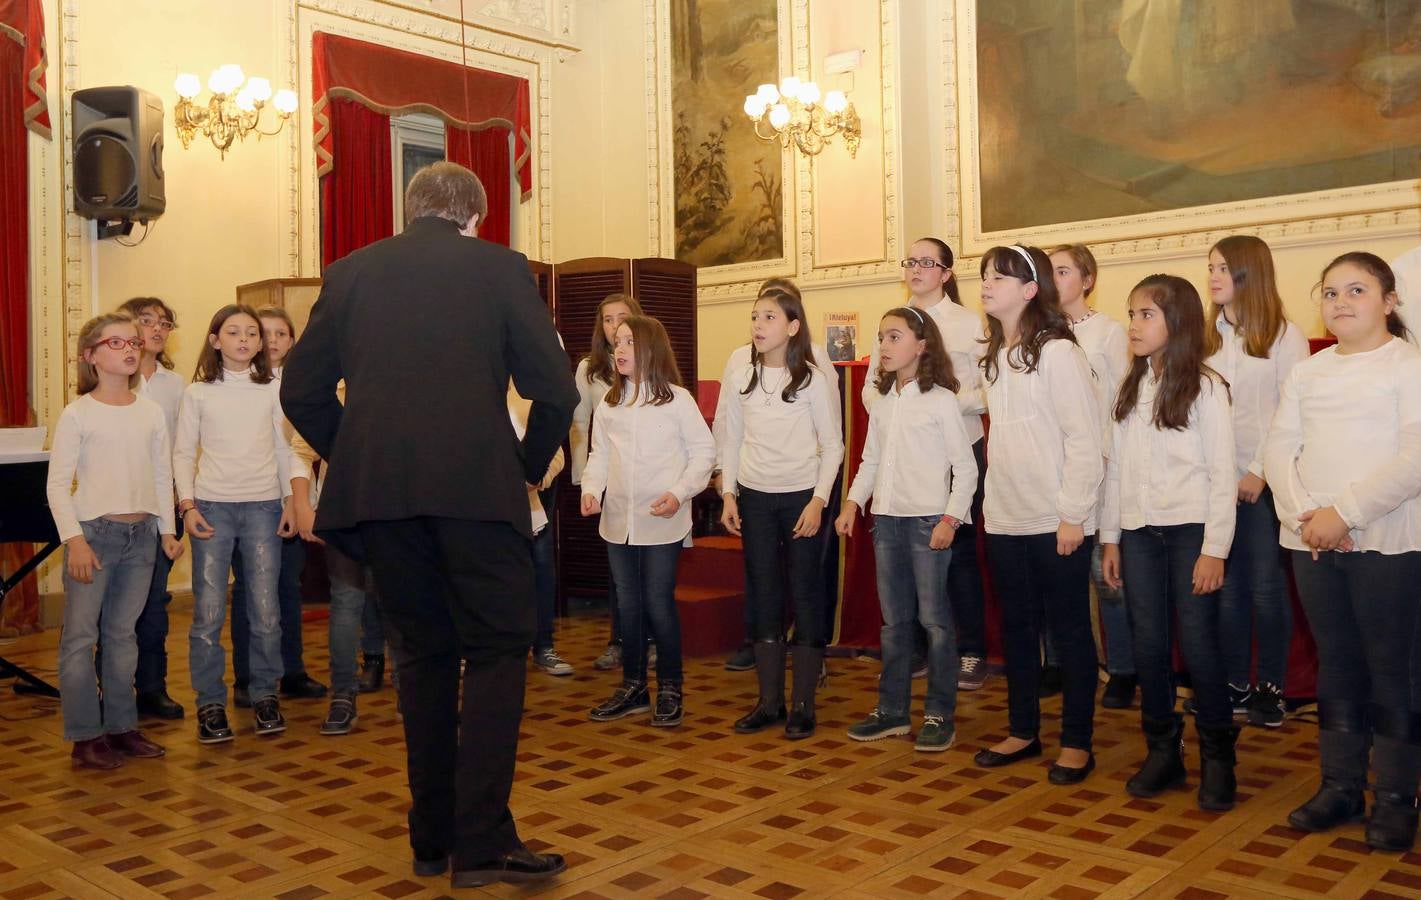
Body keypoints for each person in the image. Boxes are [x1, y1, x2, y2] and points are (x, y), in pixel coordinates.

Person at [280, 161, 576, 887]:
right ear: (474, 217)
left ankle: (429, 835)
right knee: (501, 653)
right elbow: (555, 389)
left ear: (411, 210)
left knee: (422, 657)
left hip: (383, 501)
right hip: (478, 493)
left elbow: (299, 388)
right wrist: (527, 468)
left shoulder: (348, 272)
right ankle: (478, 845)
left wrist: (358, 451)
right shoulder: (501, 269)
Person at [1265, 252, 1421, 853]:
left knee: (1393, 667)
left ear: (1388, 300)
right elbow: (1280, 448)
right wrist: (1309, 518)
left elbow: (1412, 459)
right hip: (1313, 540)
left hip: (1389, 539)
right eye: (1330, 292)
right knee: (1337, 661)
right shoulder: (1308, 371)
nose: (1341, 301)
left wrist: (1345, 514)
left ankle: (1396, 796)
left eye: (1357, 290)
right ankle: (1341, 786)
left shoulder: (1406, 367)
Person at [1100, 274, 1239, 810]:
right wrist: (1111, 537)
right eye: (1131, 314)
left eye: (1146, 315)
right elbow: (1117, 472)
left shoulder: (1206, 387)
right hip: (1138, 532)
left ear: (1176, 323)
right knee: (1148, 643)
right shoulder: (1129, 386)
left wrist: (1215, 549)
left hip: (1191, 534)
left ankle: (1219, 757)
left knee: (1199, 646)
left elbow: (1222, 475)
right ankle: (1163, 749)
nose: (1133, 325)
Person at [972, 244, 1103, 785]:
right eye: (983, 275)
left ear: (1030, 291)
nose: (986, 283)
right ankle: (1023, 730)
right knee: (1019, 630)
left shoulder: (1058, 353)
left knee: (1070, 631)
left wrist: (1073, 514)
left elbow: (1085, 438)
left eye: (1000, 277)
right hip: (1007, 517)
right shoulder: (995, 358)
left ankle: (1077, 742)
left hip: (1058, 520)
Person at [836, 308, 977, 751]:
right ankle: (893, 711)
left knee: (935, 622)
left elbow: (965, 468)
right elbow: (870, 461)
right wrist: (853, 503)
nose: (884, 346)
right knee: (894, 624)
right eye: (881, 338)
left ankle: (939, 714)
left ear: (922, 345)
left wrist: (950, 519)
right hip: (887, 523)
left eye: (894, 337)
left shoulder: (941, 401)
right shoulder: (883, 403)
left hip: (928, 524)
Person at [47, 313, 181, 768]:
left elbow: (162, 475)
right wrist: (76, 541)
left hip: (141, 536)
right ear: (91, 355)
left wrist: (166, 530)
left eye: (134, 342)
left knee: (124, 635)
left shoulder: (150, 412)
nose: (130, 349)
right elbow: (57, 485)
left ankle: (122, 727)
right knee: (81, 638)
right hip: (95, 536)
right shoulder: (77, 413)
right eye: (116, 342)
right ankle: (86, 735)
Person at [865, 239, 992, 693]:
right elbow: (871, 389)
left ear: (946, 273)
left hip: (958, 447)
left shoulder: (968, 322)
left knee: (954, 554)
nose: (916, 268)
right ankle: (913, 649)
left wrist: (939, 400)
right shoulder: (894, 323)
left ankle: (971, 650)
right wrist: (900, 403)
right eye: (910, 261)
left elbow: (986, 388)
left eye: (927, 262)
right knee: (903, 557)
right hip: (906, 452)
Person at [718, 288, 843, 739]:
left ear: (792, 327)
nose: (758, 325)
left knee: (806, 595)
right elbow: (729, 439)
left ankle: (804, 706)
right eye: (754, 316)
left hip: (801, 499)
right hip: (754, 498)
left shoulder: (811, 379)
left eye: (769, 317)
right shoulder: (739, 376)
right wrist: (729, 493)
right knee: (764, 594)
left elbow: (833, 446)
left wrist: (818, 500)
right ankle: (769, 702)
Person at [582, 315, 716, 727]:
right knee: (628, 604)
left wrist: (679, 493)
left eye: (629, 343)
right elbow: (599, 454)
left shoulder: (677, 399)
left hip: (663, 520)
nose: (619, 350)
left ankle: (671, 686)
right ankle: (634, 686)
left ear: (651, 350)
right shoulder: (609, 404)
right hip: (618, 521)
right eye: (617, 342)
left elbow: (703, 453)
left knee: (658, 603)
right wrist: (591, 488)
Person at [174, 304, 295, 743]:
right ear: (215, 340)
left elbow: (284, 451)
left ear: (261, 344)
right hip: (212, 507)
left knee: (265, 611)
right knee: (207, 612)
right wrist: (187, 506)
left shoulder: (272, 391)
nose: (243, 340)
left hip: (264, 506)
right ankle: (209, 702)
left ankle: (264, 695)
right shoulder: (198, 393)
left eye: (251, 333)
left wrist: (287, 501)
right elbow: (184, 453)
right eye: (233, 332)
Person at [1203, 236, 1309, 727]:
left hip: (1262, 483)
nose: (1214, 277)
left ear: (1250, 273)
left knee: (1266, 587)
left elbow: (1292, 413)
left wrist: (1259, 472)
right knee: (1226, 588)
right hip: (1213, 483)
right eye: (1211, 268)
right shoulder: (1208, 335)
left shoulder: (1284, 336)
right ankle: (1233, 683)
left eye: (1223, 268)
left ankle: (1271, 686)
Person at [1050, 245, 1137, 709]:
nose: (1054, 278)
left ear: (1086, 280)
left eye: (1063, 271)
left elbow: (1123, 400)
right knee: (1056, 574)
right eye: (1049, 271)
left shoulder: (1107, 333)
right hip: (1051, 469)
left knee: (1105, 575)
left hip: (1098, 466)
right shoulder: (1038, 333)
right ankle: (1061, 661)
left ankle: (1123, 667)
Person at [230, 306, 327, 707]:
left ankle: (292, 671)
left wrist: (299, 501)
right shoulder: (234, 385)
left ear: (292, 342)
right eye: (262, 333)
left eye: (280, 334)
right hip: (246, 500)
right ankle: (246, 678)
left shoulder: (302, 386)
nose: (271, 341)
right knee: (248, 593)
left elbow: (300, 450)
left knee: (288, 588)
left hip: (290, 500)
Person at [114, 297, 187, 720]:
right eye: (147, 322)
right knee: (117, 605)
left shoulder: (175, 386)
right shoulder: (109, 378)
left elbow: (179, 450)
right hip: (115, 505)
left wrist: (180, 504)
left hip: (161, 505)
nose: (157, 330)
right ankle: (114, 689)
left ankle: (153, 688)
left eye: (164, 323)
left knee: (155, 601)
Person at [571, 293, 643, 673]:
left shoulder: (652, 364)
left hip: (647, 483)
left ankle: (649, 641)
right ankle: (619, 641)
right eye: (608, 320)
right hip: (609, 483)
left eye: (622, 318)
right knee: (619, 574)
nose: (614, 326)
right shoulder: (590, 369)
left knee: (649, 571)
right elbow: (581, 423)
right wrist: (586, 483)